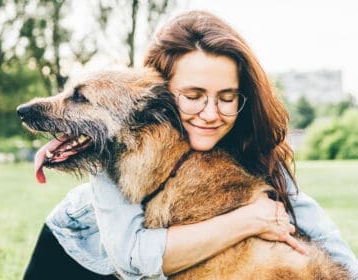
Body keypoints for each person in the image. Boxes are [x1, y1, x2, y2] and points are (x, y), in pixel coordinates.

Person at [23, 10, 358, 279]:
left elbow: (321, 233)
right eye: (193, 96)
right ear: (164, 96)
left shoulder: (245, 142)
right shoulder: (122, 143)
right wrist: (250, 219)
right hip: (78, 252)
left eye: (227, 98)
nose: (210, 114)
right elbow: (132, 258)